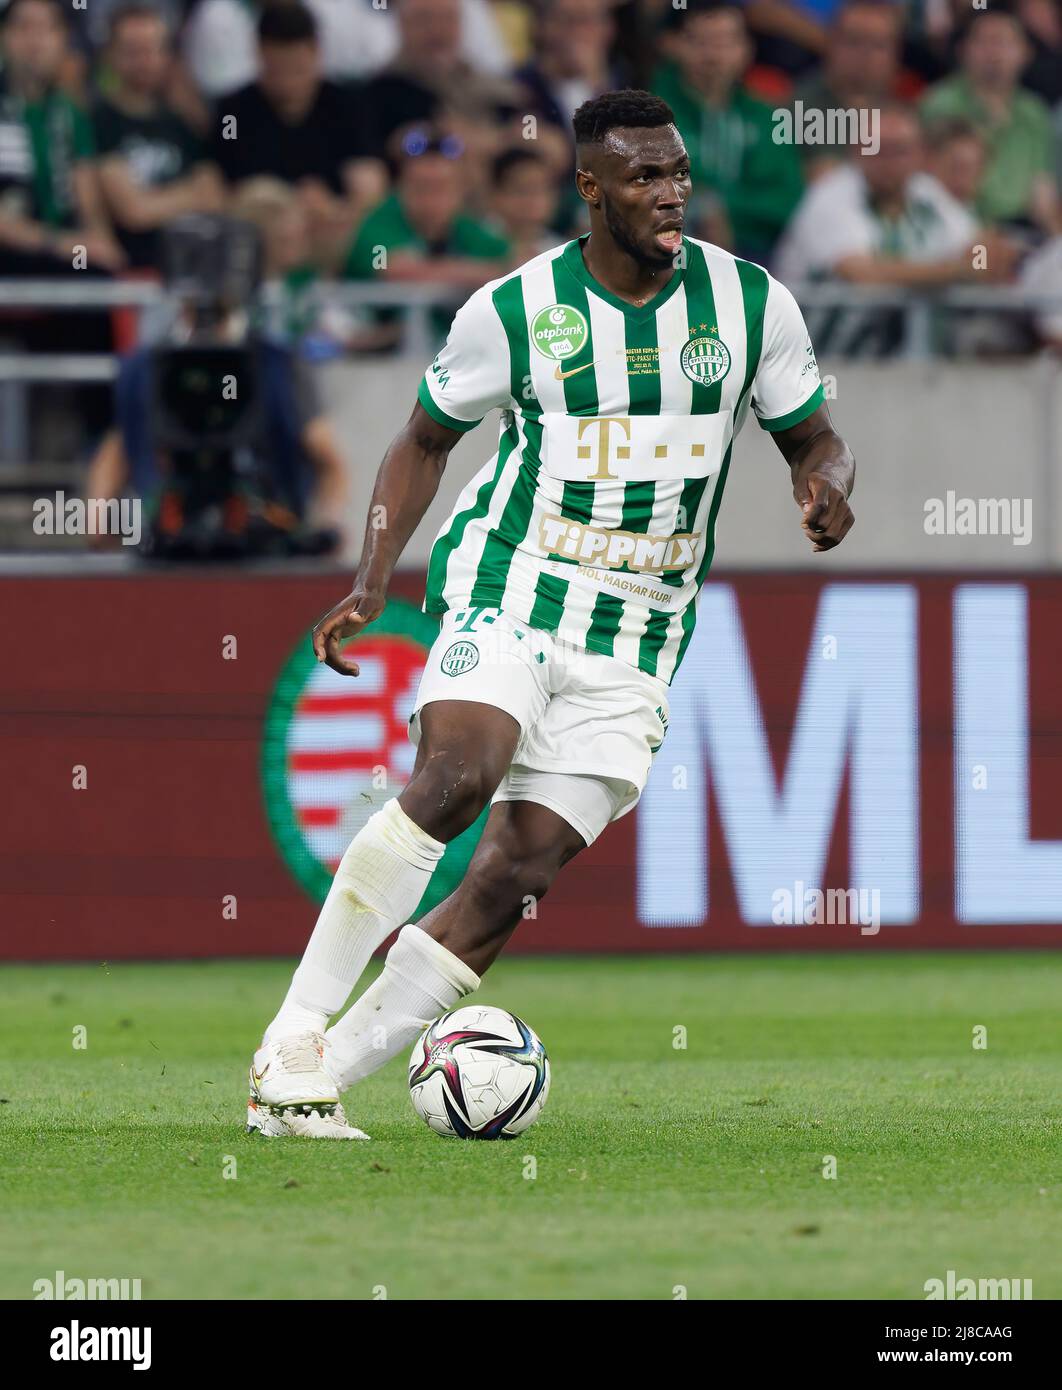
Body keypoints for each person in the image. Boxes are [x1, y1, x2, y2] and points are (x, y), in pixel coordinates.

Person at [245, 88, 855, 1139]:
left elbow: (814, 436)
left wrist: (826, 483)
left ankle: (313, 1083)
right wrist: (372, 573)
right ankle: (293, 1032)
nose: (670, 196)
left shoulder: (753, 305)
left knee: (517, 871)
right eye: (644, 179)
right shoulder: (517, 310)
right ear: (590, 190)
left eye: (676, 175)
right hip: (515, 580)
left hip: (641, 630)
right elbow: (422, 438)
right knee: (459, 774)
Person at [209, 3, 385, 270]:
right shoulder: (233, 112)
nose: (288, 83)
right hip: (259, 242)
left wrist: (335, 209)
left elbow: (369, 187)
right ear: (259, 55)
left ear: (316, 53)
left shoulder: (347, 107)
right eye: (277, 71)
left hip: (325, 235)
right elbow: (216, 187)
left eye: (297, 69)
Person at [651, 1, 803, 262]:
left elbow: (786, 199)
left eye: (725, 42)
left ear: (746, 50)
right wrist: (701, 210)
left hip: (755, 253)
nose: (713, 55)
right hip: (663, 250)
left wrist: (724, 210)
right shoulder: (649, 112)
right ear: (677, 46)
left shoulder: (765, 117)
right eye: (701, 41)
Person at [94, 3, 224, 270]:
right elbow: (133, 212)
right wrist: (188, 197)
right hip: (129, 271)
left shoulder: (182, 123)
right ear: (110, 56)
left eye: (153, 49)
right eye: (133, 51)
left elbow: (213, 195)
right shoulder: (98, 121)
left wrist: (154, 202)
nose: (145, 61)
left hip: (192, 265)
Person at [920, 10, 1059, 233]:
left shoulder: (1035, 112)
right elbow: (930, 184)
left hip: (1022, 229)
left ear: (1026, 53)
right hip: (958, 225)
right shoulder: (940, 104)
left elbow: (1042, 191)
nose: (994, 53)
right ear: (963, 50)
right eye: (984, 42)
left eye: (1005, 42)